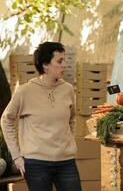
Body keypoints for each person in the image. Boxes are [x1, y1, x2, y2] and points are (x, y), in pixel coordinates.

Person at [1, 42, 81, 191]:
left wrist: (69, 142)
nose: (64, 65)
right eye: (59, 61)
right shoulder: (25, 92)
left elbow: (72, 119)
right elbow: (6, 120)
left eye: (64, 60)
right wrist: (17, 156)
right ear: (45, 65)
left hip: (66, 162)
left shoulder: (68, 89)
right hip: (36, 164)